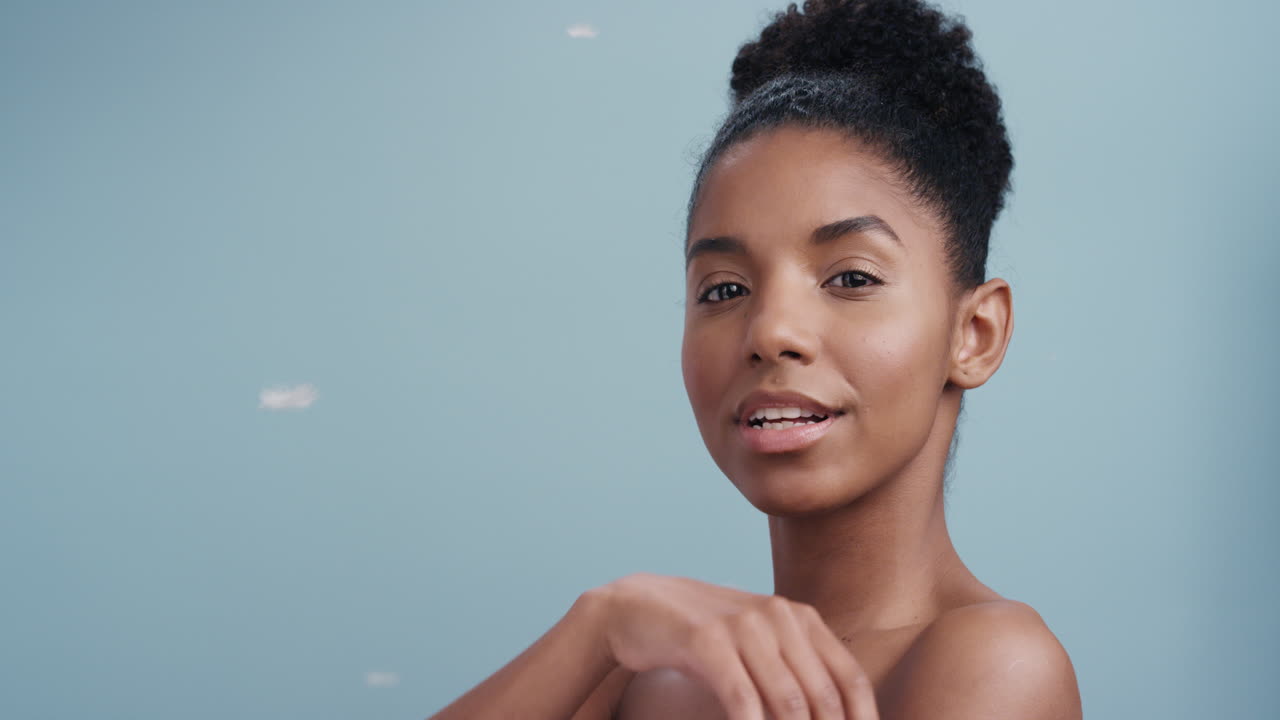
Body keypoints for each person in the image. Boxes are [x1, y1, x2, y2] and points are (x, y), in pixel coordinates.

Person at [427, 0, 1082, 718]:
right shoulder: (644, 676)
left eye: (851, 277)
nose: (770, 331)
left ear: (975, 333)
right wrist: (599, 627)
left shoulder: (994, 662)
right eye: (725, 289)